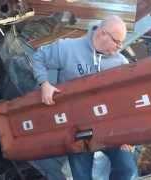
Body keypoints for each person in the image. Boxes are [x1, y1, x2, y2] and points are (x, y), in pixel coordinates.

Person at [31, 15, 138, 180]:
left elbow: (127, 101)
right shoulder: (68, 48)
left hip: (109, 127)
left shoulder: (120, 64)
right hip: (77, 129)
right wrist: (44, 83)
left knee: (127, 170)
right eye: (117, 41)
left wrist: (128, 133)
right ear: (102, 34)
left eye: (121, 43)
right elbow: (38, 58)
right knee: (82, 177)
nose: (119, 47)